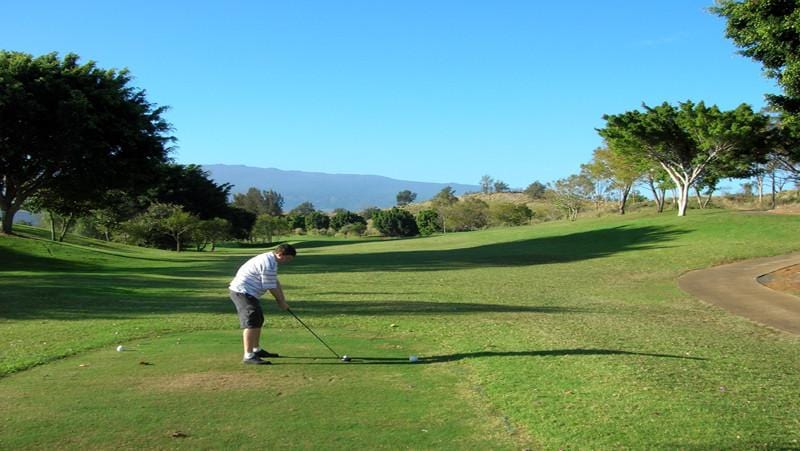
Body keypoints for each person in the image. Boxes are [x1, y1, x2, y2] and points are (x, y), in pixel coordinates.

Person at [229, 243, 297, 365]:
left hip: (248, 293)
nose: (288, 262)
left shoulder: (271, 259)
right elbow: (270, 286)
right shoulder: (268, 263)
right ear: (280, 254)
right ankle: (248, 356)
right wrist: (280, 302)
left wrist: (282, 299)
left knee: (258, 319)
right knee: (252, 321)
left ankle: (256, 350)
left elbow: (275, 282)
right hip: (242, 292)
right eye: (288, 258)